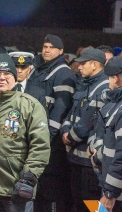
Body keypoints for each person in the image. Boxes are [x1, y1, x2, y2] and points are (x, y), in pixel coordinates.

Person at [0, 53, 50, 211]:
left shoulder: (30, 105)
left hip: (15, 190)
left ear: (15, 78)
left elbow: (40, 145)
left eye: (7, 74)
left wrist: (28, 179)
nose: (2, 78)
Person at [28, 34, 77, 212]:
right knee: (38, 190)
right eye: (45, 46)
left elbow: (60, 110)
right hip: (36, 139)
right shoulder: (39, 69)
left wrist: (45, 139)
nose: (47, 50)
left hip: (51, 144)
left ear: (61, 51)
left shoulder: (63, 73)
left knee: (50, 191)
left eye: (52, 47)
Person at [60, 48, 108, 211]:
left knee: (93, 205)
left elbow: (88, 121)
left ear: (94, 65)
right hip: (76, 158)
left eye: (83, 63)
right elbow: (71, 113)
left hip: (89, 162)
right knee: (78, 202)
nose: (79, 67)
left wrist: (70, 136)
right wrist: (65, 129)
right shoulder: (86, 85)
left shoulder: (103, 87)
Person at [92, 56, 122, 212]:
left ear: (116, 79)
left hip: (117, 193)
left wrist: (110, 193)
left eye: (110, 77)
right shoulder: (116, 105)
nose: (109, 82)